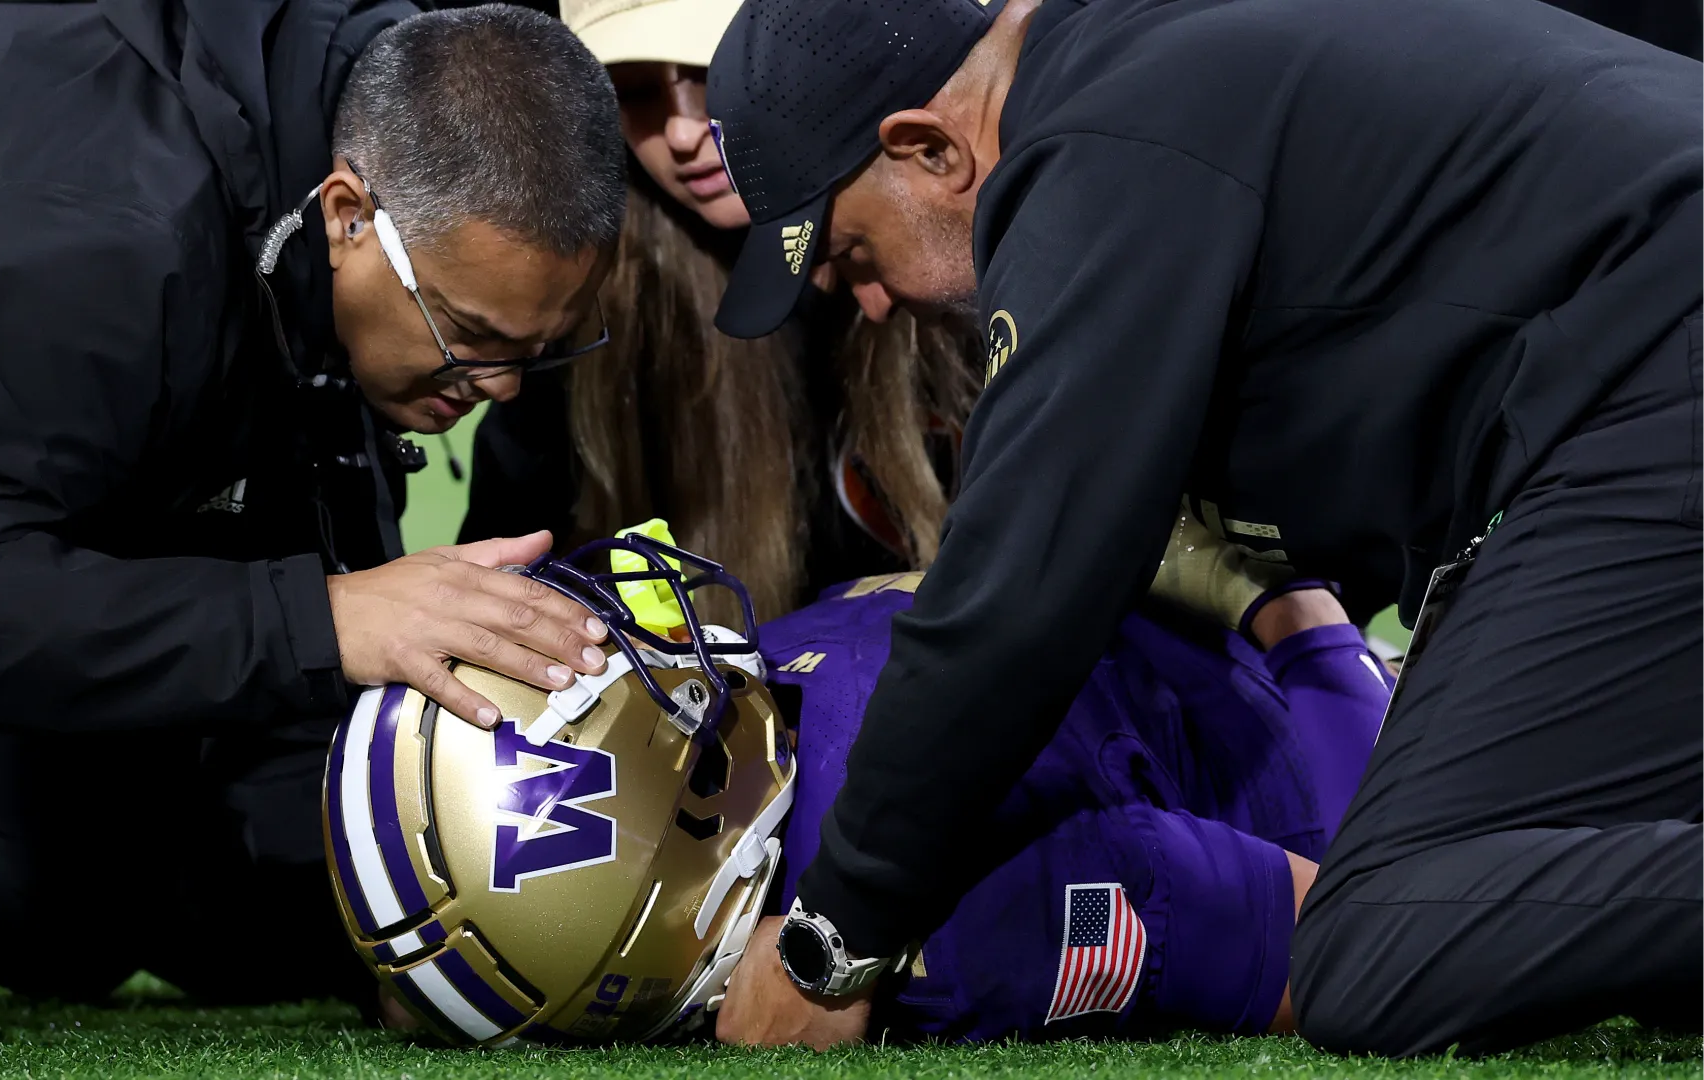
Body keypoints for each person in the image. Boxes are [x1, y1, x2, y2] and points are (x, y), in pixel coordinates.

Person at [702, 0, 1704, 1057]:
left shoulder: (1093, 146)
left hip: (1660, 372)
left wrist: (837, 930)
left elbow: (1021, 594)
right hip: (1644, 366)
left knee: (1371, 951)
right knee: (1562, 885)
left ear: (932, 148)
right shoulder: (1153, 53)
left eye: (854, 253)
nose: (869, 304)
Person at [0, 0, 625, 1051]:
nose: (498, 386)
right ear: (349, 214)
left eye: (539, 350)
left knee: (81, 922)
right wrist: (320, 620)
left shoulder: (337, 166)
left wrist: (413, 926)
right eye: (470, 336)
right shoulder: (103, 237)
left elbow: (294, 642)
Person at [458, 0, 978, 624]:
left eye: (712, 74)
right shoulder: (578, 321)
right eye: (637, 93)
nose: (682, 133)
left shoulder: (962, 235)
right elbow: (500, 567)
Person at [748, 567, 1389, 1042]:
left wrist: (1309, 631)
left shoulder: (956, 927)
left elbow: (1368, 946)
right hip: (1216, 642)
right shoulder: (763, 660)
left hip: (1350, 756)